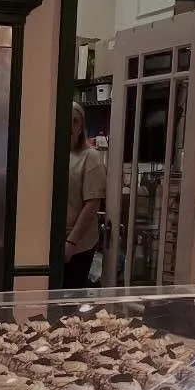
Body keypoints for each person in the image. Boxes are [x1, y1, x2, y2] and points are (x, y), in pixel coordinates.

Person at [63, 102, 107, 288]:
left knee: (69, 299)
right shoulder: (51, 155)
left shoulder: (90, 157)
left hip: (78, 244)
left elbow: (92, 205)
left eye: (75, 122)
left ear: (81, 126)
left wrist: (71, 243)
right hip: (51, 241)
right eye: (67, 121)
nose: (71, 127)